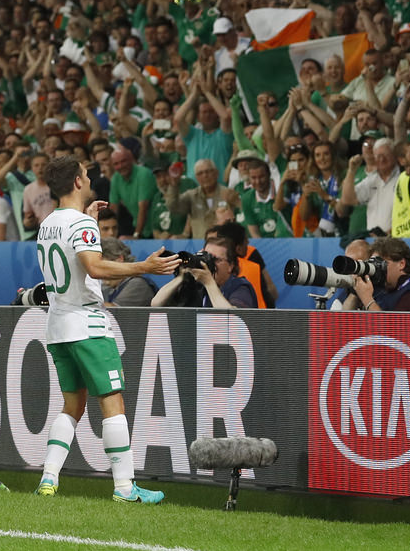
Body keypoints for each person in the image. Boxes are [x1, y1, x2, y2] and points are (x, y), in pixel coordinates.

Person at [33, 155, 179, 501]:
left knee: (72, 405)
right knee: (112, 401)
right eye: (86, 175)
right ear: (77, 182)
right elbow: (95, 268)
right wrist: (144, 266)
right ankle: (125, 487)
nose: (89, 180)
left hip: (58, 325)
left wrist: (88, 221)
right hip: (88, 324)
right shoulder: (81, 225)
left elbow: (73, 256)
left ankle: (48, 478)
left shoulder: (47, 223)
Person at [151, 237, 257, 309]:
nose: (210, 263)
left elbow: (233, 320)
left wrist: (209, 283)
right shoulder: (196, 285)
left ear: (230, 266)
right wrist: (182, 276)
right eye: (207, 256)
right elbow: (156, 303)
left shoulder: (240, 287)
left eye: (215, 259)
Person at [339, 138, 401, 235]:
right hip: (373, 240)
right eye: (378, 156)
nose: (382, 159)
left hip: (397, 238)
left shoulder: (402, 177)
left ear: (394, 156)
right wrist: (351, 170)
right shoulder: (372, 180)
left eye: (386, 155)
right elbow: (347, 200)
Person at [353, 237, 410, 312]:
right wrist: (355, 289)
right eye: (374, 264)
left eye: (381, 264)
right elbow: (346, 315)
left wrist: (367, 299)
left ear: (401, 264)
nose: (377, 270)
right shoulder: (382, 290)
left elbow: (391, 323)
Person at [98, 238, 157, 307]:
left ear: (119, 260)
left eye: (104, 267)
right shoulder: (111, 288)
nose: (100, 272)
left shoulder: (137, 284)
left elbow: (113, 310)